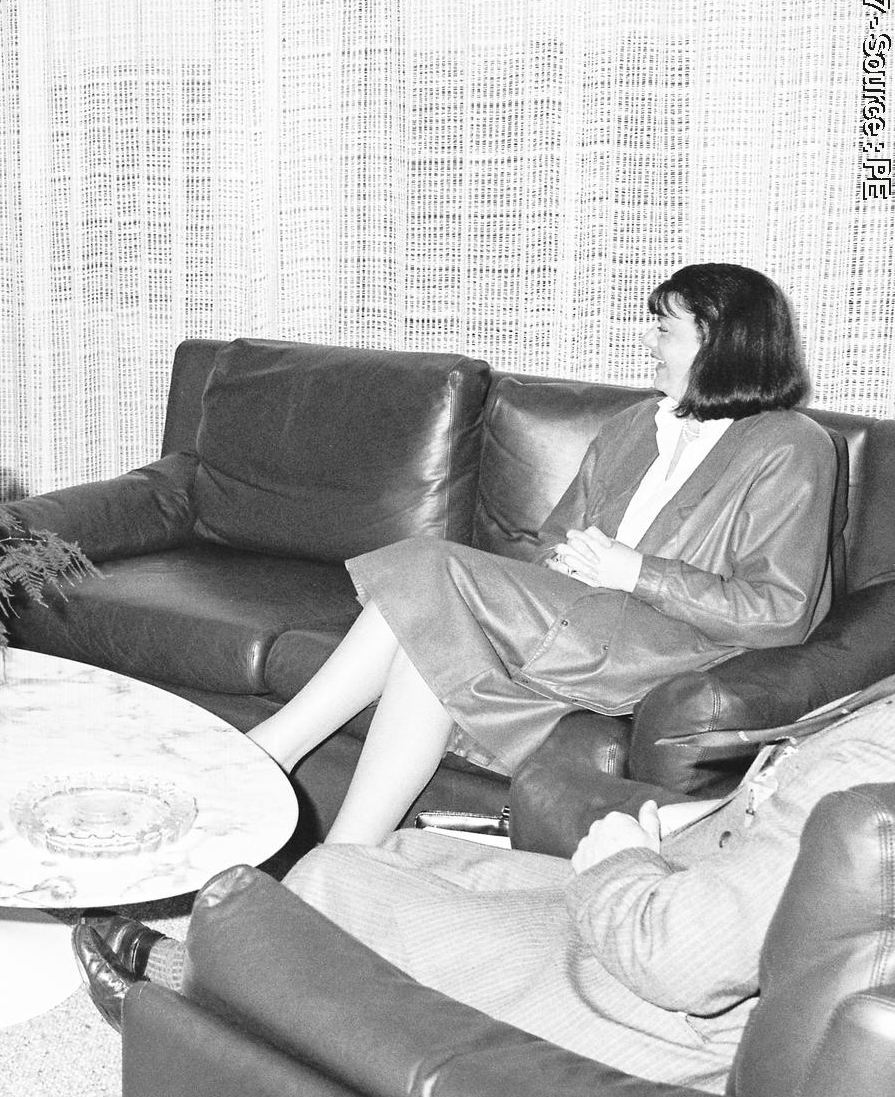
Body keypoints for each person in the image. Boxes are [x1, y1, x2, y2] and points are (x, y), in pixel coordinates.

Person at [243, 263, 836, 847]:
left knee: (426, 565)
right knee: (427, 637)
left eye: (663, 329)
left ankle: (272, 748)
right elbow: (555, 539)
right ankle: (346, 859)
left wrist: (636, 571)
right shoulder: (634, 426)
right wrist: (562, 565)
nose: (644, 340)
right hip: (584, 614)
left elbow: (779, 612)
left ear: (722, 344)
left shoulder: (789, 444)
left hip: (673, 644)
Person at [75, 674, 895, 1093]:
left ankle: (203, 1000)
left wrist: (618, 859)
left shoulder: (876, 763)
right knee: (403, 852)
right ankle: (252, 984)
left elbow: (681, 960)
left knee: (332, 878)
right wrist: (673, 825)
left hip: (658, 1000)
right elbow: (773, 804)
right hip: (692, 880)